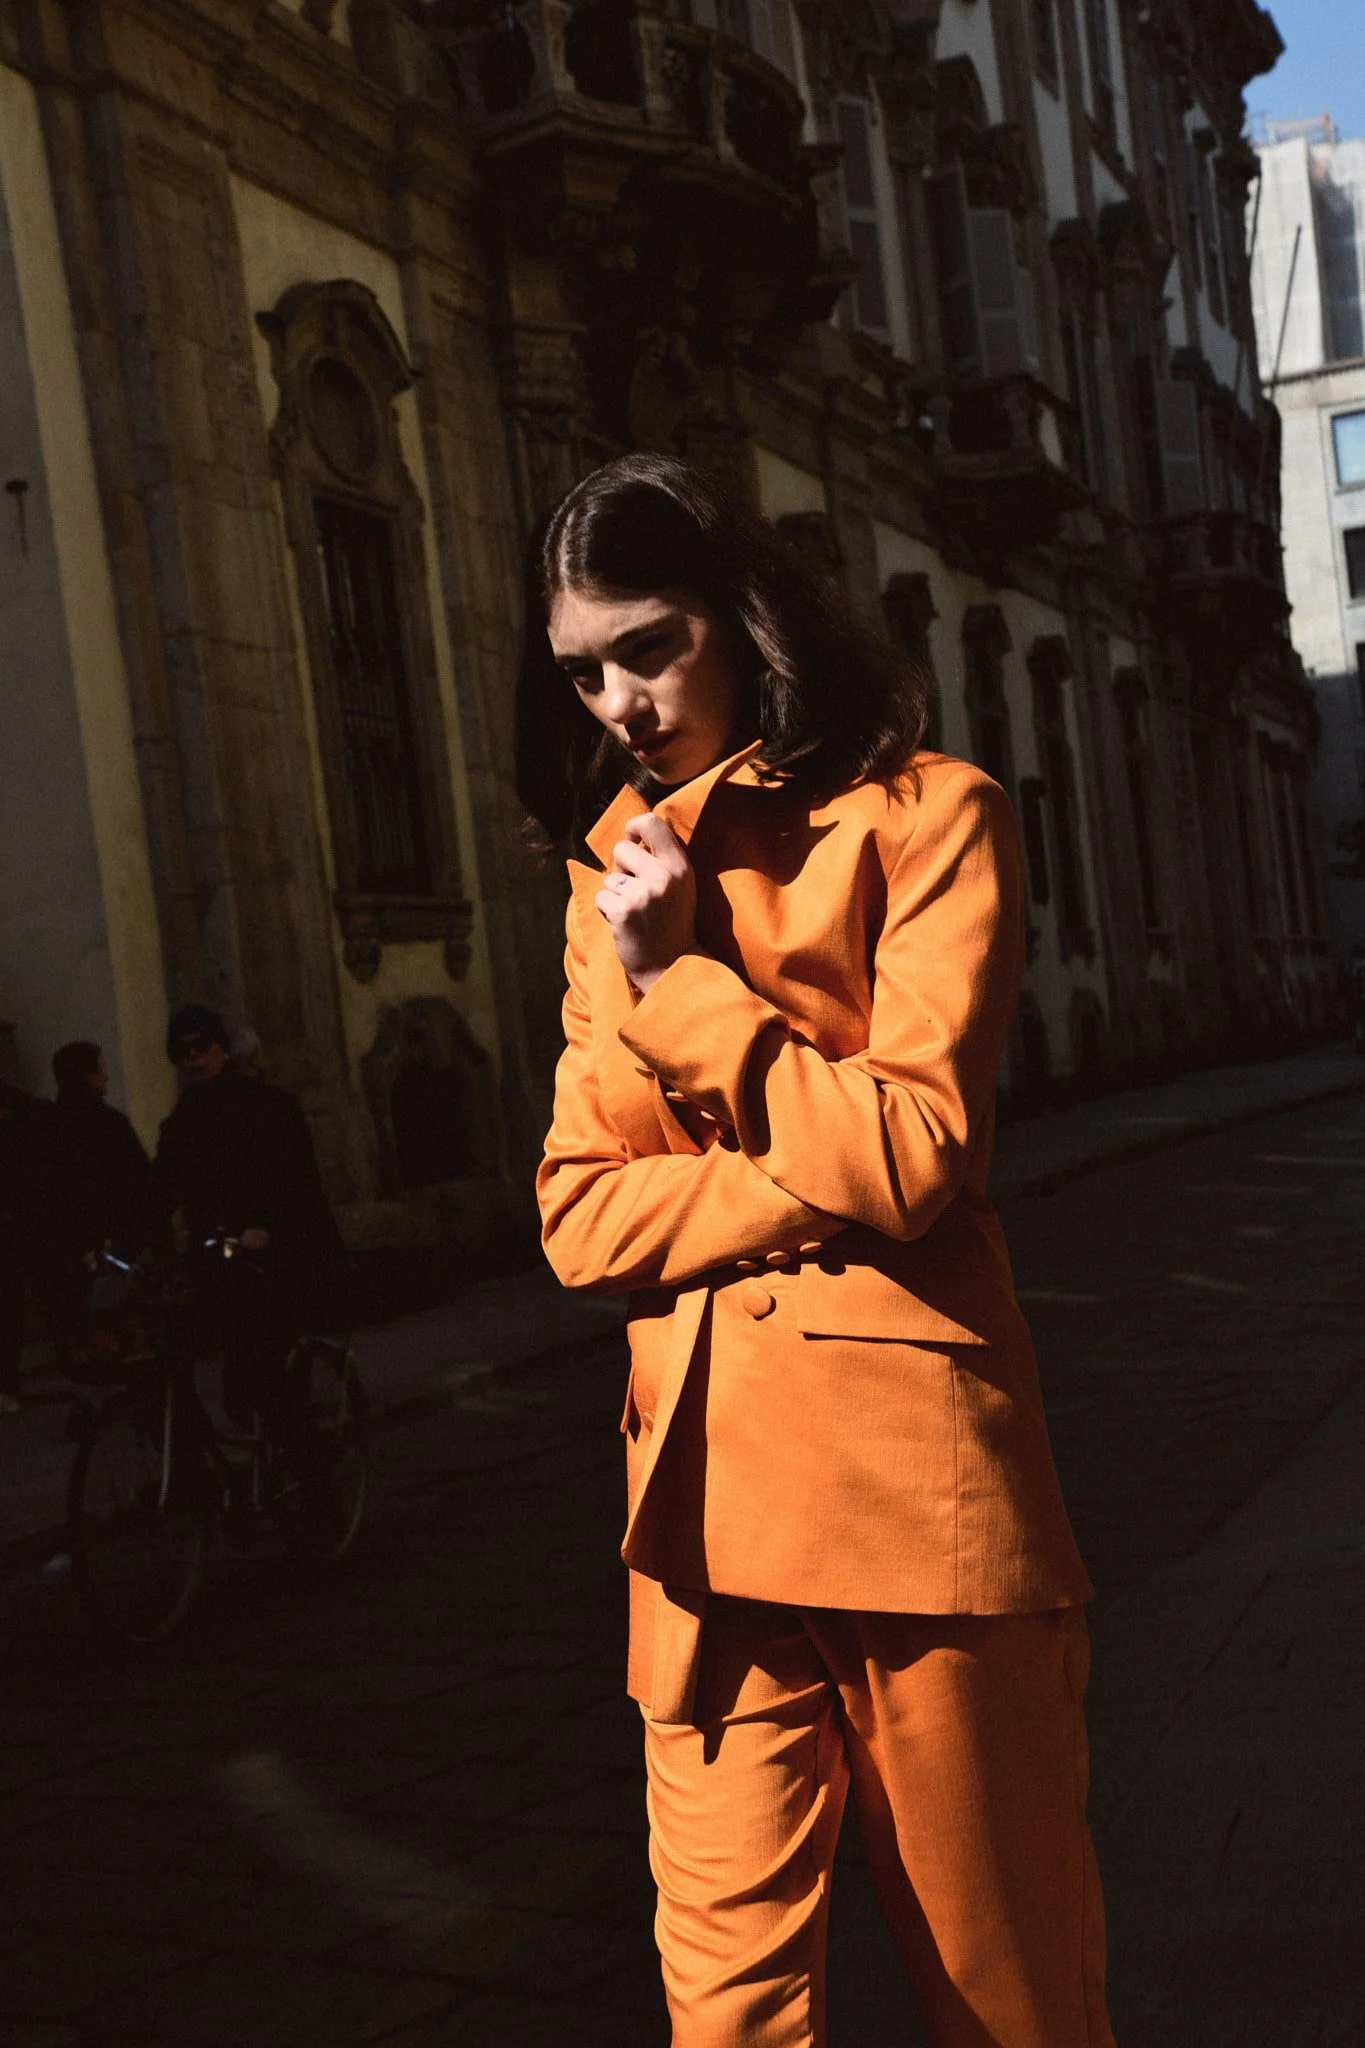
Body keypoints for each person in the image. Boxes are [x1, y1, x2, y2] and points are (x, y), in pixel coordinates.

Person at [523, 454, 1113, 2047]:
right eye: (584, 669)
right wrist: (829, 1170)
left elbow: (923, 1145)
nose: (622, 703)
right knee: (725, 2023)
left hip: (917, 1499)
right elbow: (579, 1214)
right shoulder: (607, 885)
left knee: (1010, 2003)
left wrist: (691, 988)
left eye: (650, 646)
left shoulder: (929, 818)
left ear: (744, 616)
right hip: (699, 1527)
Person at [154, 1005, 345, 1422]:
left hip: (277, 1257)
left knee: (277, 1389)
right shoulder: (182, 1122)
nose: (194, 1059)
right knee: (226, 1385)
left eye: (201, 1047)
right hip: (222, 1260)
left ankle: (313, 1474)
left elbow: (298, 1184)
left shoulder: (268, 1106)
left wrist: (270, 1230)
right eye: (182, 1052)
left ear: (222, 1049)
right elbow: (159, 1194)